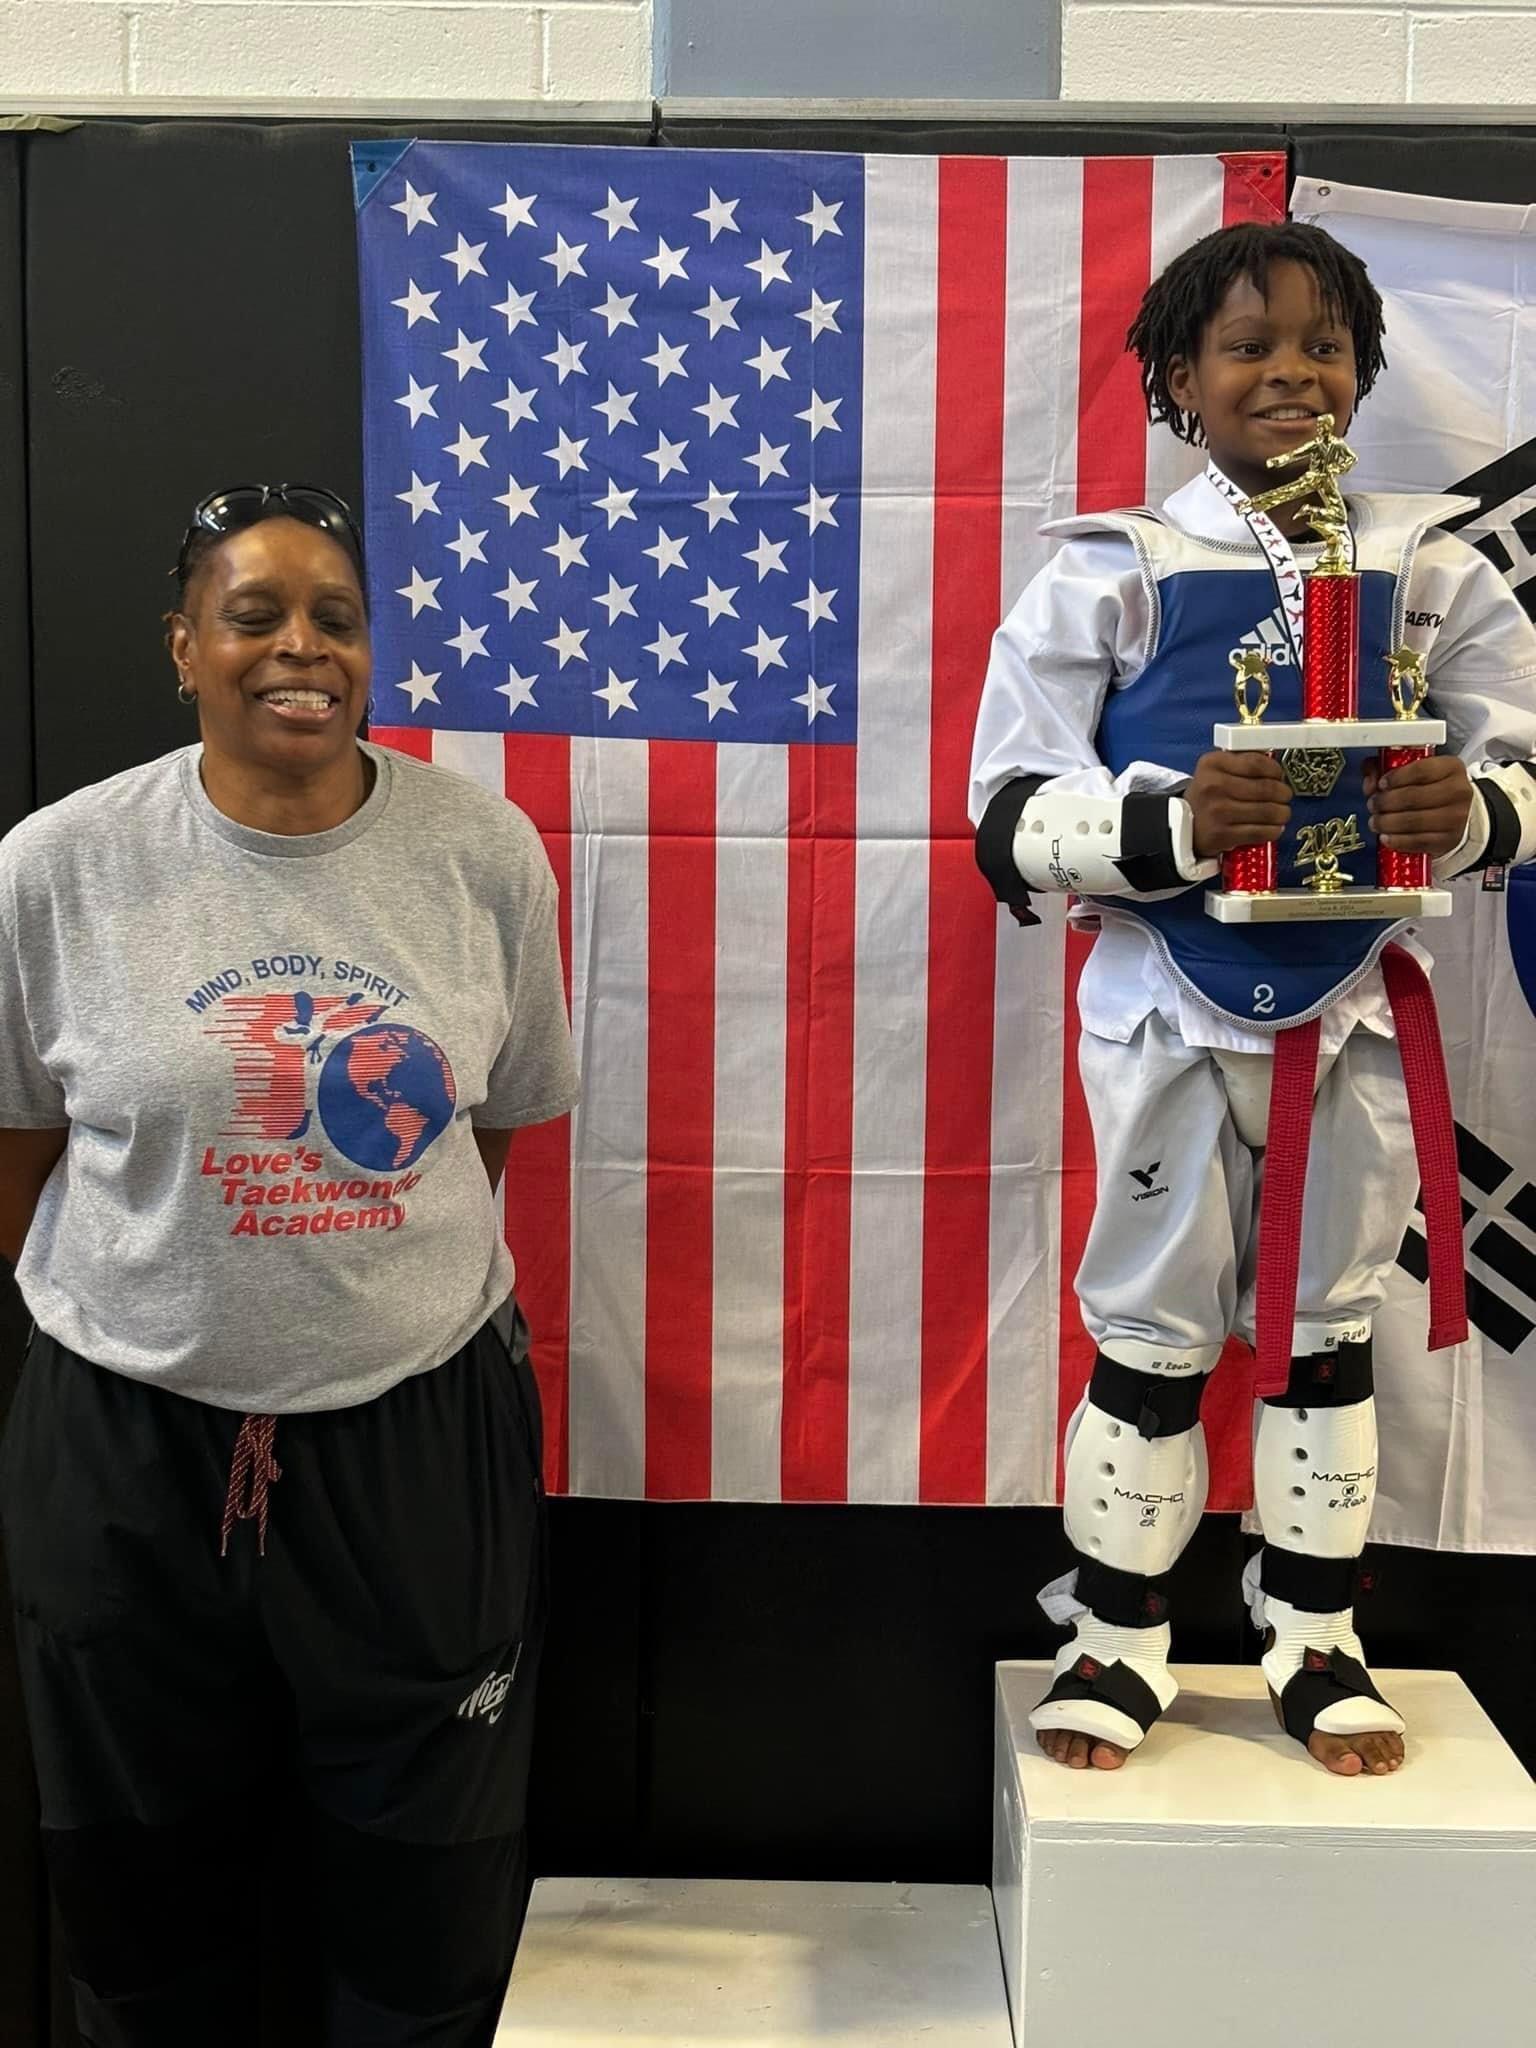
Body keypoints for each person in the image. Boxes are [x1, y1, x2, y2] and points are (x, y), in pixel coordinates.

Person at [0, 484, 579, 2046]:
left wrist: (344, 1291)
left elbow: (492, 1132)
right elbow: (19, 1150)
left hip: (414, 1437)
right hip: (127, 1441)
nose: (298, 647)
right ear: (185, 645)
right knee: (140, 1904)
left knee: (423, 1912)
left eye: (335, 615)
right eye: (253, 615)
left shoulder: (482, 853)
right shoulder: (56, 869)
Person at [970, 224, 1536, 1779]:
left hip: (1349, 1004)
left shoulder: (1430, 565)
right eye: (1245, 345)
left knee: (1321, 1331)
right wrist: (1168, 824)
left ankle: (1313, 1630)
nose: (1288, 371)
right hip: (1166, 1005)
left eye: (1321, 346)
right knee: (1153, 1335)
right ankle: (1117, 1631)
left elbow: (1526, 757)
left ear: (1360, 370)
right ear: (1178, 381)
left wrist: (1468, 816)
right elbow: (1005, 813)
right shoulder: (1113, 570)